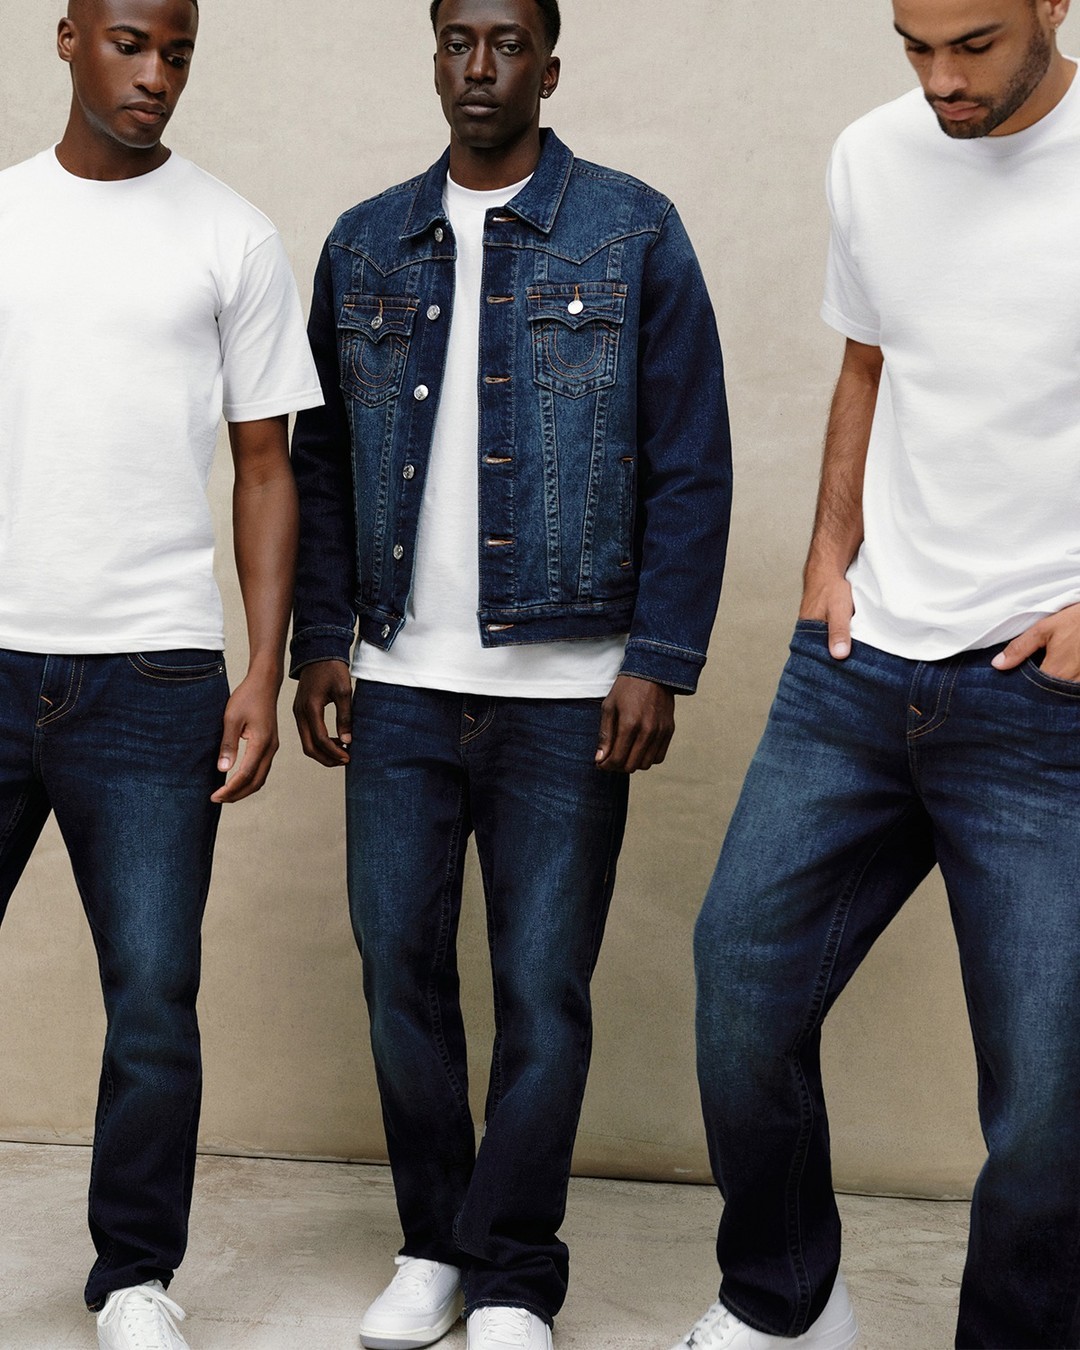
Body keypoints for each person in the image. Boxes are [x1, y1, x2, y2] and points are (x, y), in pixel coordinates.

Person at [290, 1, 731, 1346]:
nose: (478, 68)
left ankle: (512, 1275)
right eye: (455, 42)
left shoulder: (630, 229)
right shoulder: (366, 241)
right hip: (401, 682)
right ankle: (434, 1244)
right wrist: (321, 637)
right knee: (400, 967)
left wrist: (657, 657)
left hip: (569, 688)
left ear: (549, 62)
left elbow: (690, 456)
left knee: (542, 986)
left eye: (505, 44)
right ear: (436, 55)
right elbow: (317, 463)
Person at [676, 0, 1080, 1347]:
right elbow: (868, 358)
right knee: (739, 985)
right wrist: (827, 549)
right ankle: (786, 1296)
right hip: (858, 668)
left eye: (972, 43)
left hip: (1044, 702)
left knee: (1049, 1105)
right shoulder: (871, 153)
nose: (939, 79)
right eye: (912, 43)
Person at [0, 1, 322, 1346]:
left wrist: (262, 667)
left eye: (179, 51)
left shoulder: (231, 235)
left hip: (153, 677)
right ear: (67, 38)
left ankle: (134, 1276)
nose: (156, 76)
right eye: (130, 43)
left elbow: (265, 466)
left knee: (152, 992)